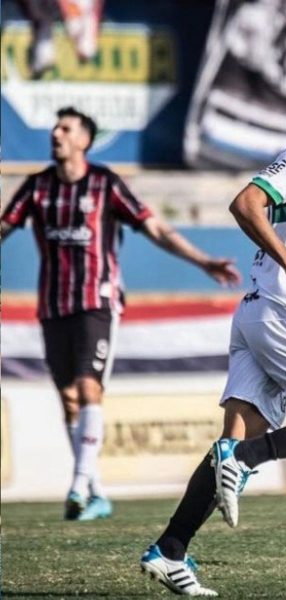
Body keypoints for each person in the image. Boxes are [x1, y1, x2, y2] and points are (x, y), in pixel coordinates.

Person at [140, 58, 286, 597]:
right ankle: (245, 462)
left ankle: (170, 549)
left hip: (261, 311)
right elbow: (246, 204)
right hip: (282, 314)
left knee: (237, 432)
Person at [0, 106, 242, 522]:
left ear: (84, 140)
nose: (56, 134)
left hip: (98, 301)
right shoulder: (37, 187)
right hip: (53, 306)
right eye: (55, 128)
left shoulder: (105, 184)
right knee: (69, 399)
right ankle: (94, 490)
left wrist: (203, 262)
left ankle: (76, 485)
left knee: (88, 387)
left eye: (65, 128)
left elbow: (157, 229)